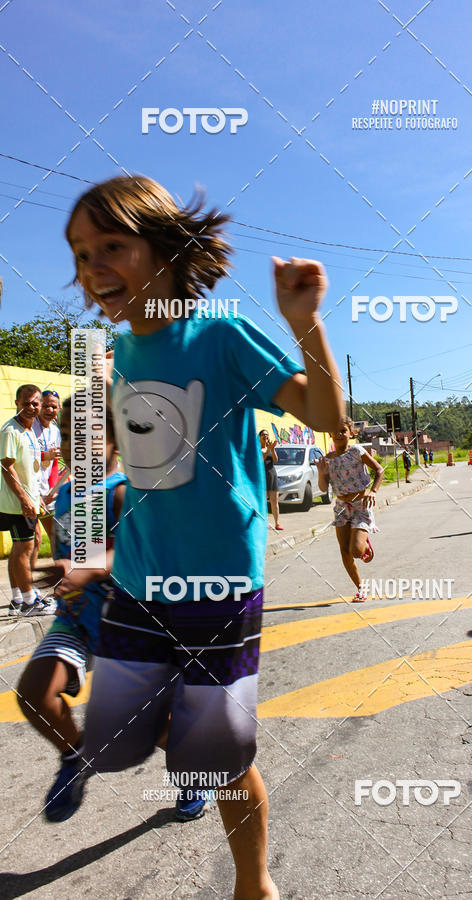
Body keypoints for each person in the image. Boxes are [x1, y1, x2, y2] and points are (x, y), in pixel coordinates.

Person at [64, 174, 344, 900]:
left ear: (165, 248)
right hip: (139, 578)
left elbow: (322, 417)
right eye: (80, 252)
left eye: (112, 246)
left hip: (217, 579)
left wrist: (304, 322)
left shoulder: (221, 337)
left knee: (215, 756)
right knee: (121, 727)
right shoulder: (116, 358)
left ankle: (254, 884)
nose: (93, 267)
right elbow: (125, 471)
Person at [17, 399, 128, 820]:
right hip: (75, 621)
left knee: (156, 728)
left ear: (115, 440)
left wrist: (88, 569)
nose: (75, 442)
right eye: (67, 432)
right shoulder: (64, 493)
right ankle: (75, 755)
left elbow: (135, 554)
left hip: (126, 623)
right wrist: (56, 569)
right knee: (34, 694)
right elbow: (65, 553)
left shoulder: (120, 492)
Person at [0, 384, 54, 616]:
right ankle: (30, 601)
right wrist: (24, 499)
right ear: (17, 404)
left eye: (35, 403)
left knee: (19, 549)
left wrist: (36, 497)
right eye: (26, 403)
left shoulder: (29, 429)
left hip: (28, 501)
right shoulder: (11, 431)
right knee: (25, 548)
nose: (31, 407)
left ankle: (17, 599)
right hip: (17, 504)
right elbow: (6, 467)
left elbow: (28, 468)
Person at [317, 417, 383, 602]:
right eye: (335, 431)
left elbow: (379, 470)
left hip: (361, 505)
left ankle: (364, 542)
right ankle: (361, 588)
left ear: (351, 433)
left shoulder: (356, 451)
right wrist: (322, 473)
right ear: (329, 434)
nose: (339, 434)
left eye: (343, 431)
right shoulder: (327, 460)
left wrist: (373, 491)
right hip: (341, 508)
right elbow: (323, 488)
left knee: (355, 551)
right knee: (344, 550)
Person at [33, 389, 62, 557]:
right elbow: (22, 458)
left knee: (55, 535)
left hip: (46, 492)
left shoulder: (55, 431)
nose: (49, 410)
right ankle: (25, 583)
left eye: (54, 407)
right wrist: (45, 455)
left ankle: (59, 579)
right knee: (34, 539)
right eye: (45, 406)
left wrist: (53, 489)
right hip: (29, 491)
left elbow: (55, 463)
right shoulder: (29, 426)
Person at [259, 429, 283, 530]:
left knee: (274, 501)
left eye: (267, 435)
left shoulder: (270, 448)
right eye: (263, 435)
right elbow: (261, 459)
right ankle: (264, 522)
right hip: (262, 477)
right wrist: (268, 449)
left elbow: (276, 459)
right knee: (263, 501)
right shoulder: (258, 449)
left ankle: (277, 523)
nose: (266, 436)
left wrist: (272, 449)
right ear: (259, 437)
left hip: (272, 475)